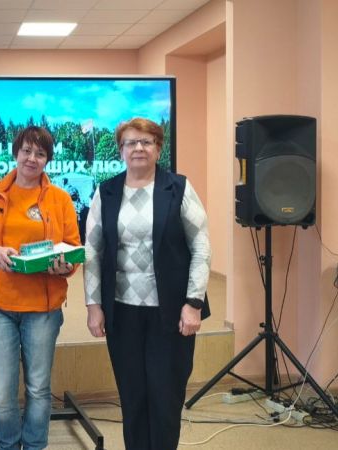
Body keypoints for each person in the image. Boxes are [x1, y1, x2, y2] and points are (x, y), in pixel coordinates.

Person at [84, 118, 211, 450]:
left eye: (146, 142)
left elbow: (201, 246)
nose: (138, 148)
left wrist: (193, 302)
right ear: (121, 150)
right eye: (131, 142)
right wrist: (94, 305)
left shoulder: (178, 188)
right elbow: (93, 251)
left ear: (158, 148)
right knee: (133, 397)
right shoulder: (106, 192)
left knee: (165, 398)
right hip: (122, 312)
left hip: (170, 313)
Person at [0, 126, 81, 450]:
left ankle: (34, 446)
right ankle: (7, 446)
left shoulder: (59, 199)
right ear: (16, 153)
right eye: (27, 151)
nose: (32, 158)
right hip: (0, 306)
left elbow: (73, 247)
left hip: (43, 309)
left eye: (40, 153)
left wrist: (66, 266)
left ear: (47, 160)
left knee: (38, 389)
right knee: (2, 393)